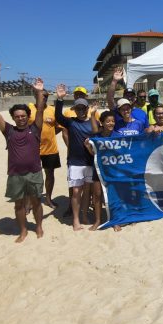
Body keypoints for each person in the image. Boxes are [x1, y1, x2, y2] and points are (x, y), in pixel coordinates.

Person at [0, 77, 45, 243]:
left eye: (23, 116)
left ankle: (39, 226)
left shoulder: (35, 128)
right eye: (17, 116)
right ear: (13, 118)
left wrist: (39, 92)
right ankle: (23, 230)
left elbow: (40, 110)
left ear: (28, 116)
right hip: (15, 174)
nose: (21, 118)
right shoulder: (9, 131)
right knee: (18, 205)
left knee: (37, 202)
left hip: (35, 172)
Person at [55, 84, 95, 231]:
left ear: (87, 108)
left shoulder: (93, 123)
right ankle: (76, 220)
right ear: (74, 110)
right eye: (78, 108)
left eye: (83, 108)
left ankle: (84, 216)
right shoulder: (71, 122)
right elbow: (58, 117)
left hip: (89, 161)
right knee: (76, 192)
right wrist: (60, 99)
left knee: (87, 192)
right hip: (75, 162)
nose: (80, 111)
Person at [27, 89, 63, 208]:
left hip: (50, 149)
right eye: (42, 96)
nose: (44, 98)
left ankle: (48, 198)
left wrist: (50, 134)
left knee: (50, 174)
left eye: (46, 96)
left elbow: (59, 126)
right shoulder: (29, 109)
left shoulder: (52, 110)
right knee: (31, 176)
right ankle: (30, 202)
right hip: (32, 149)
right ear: (35, 96)